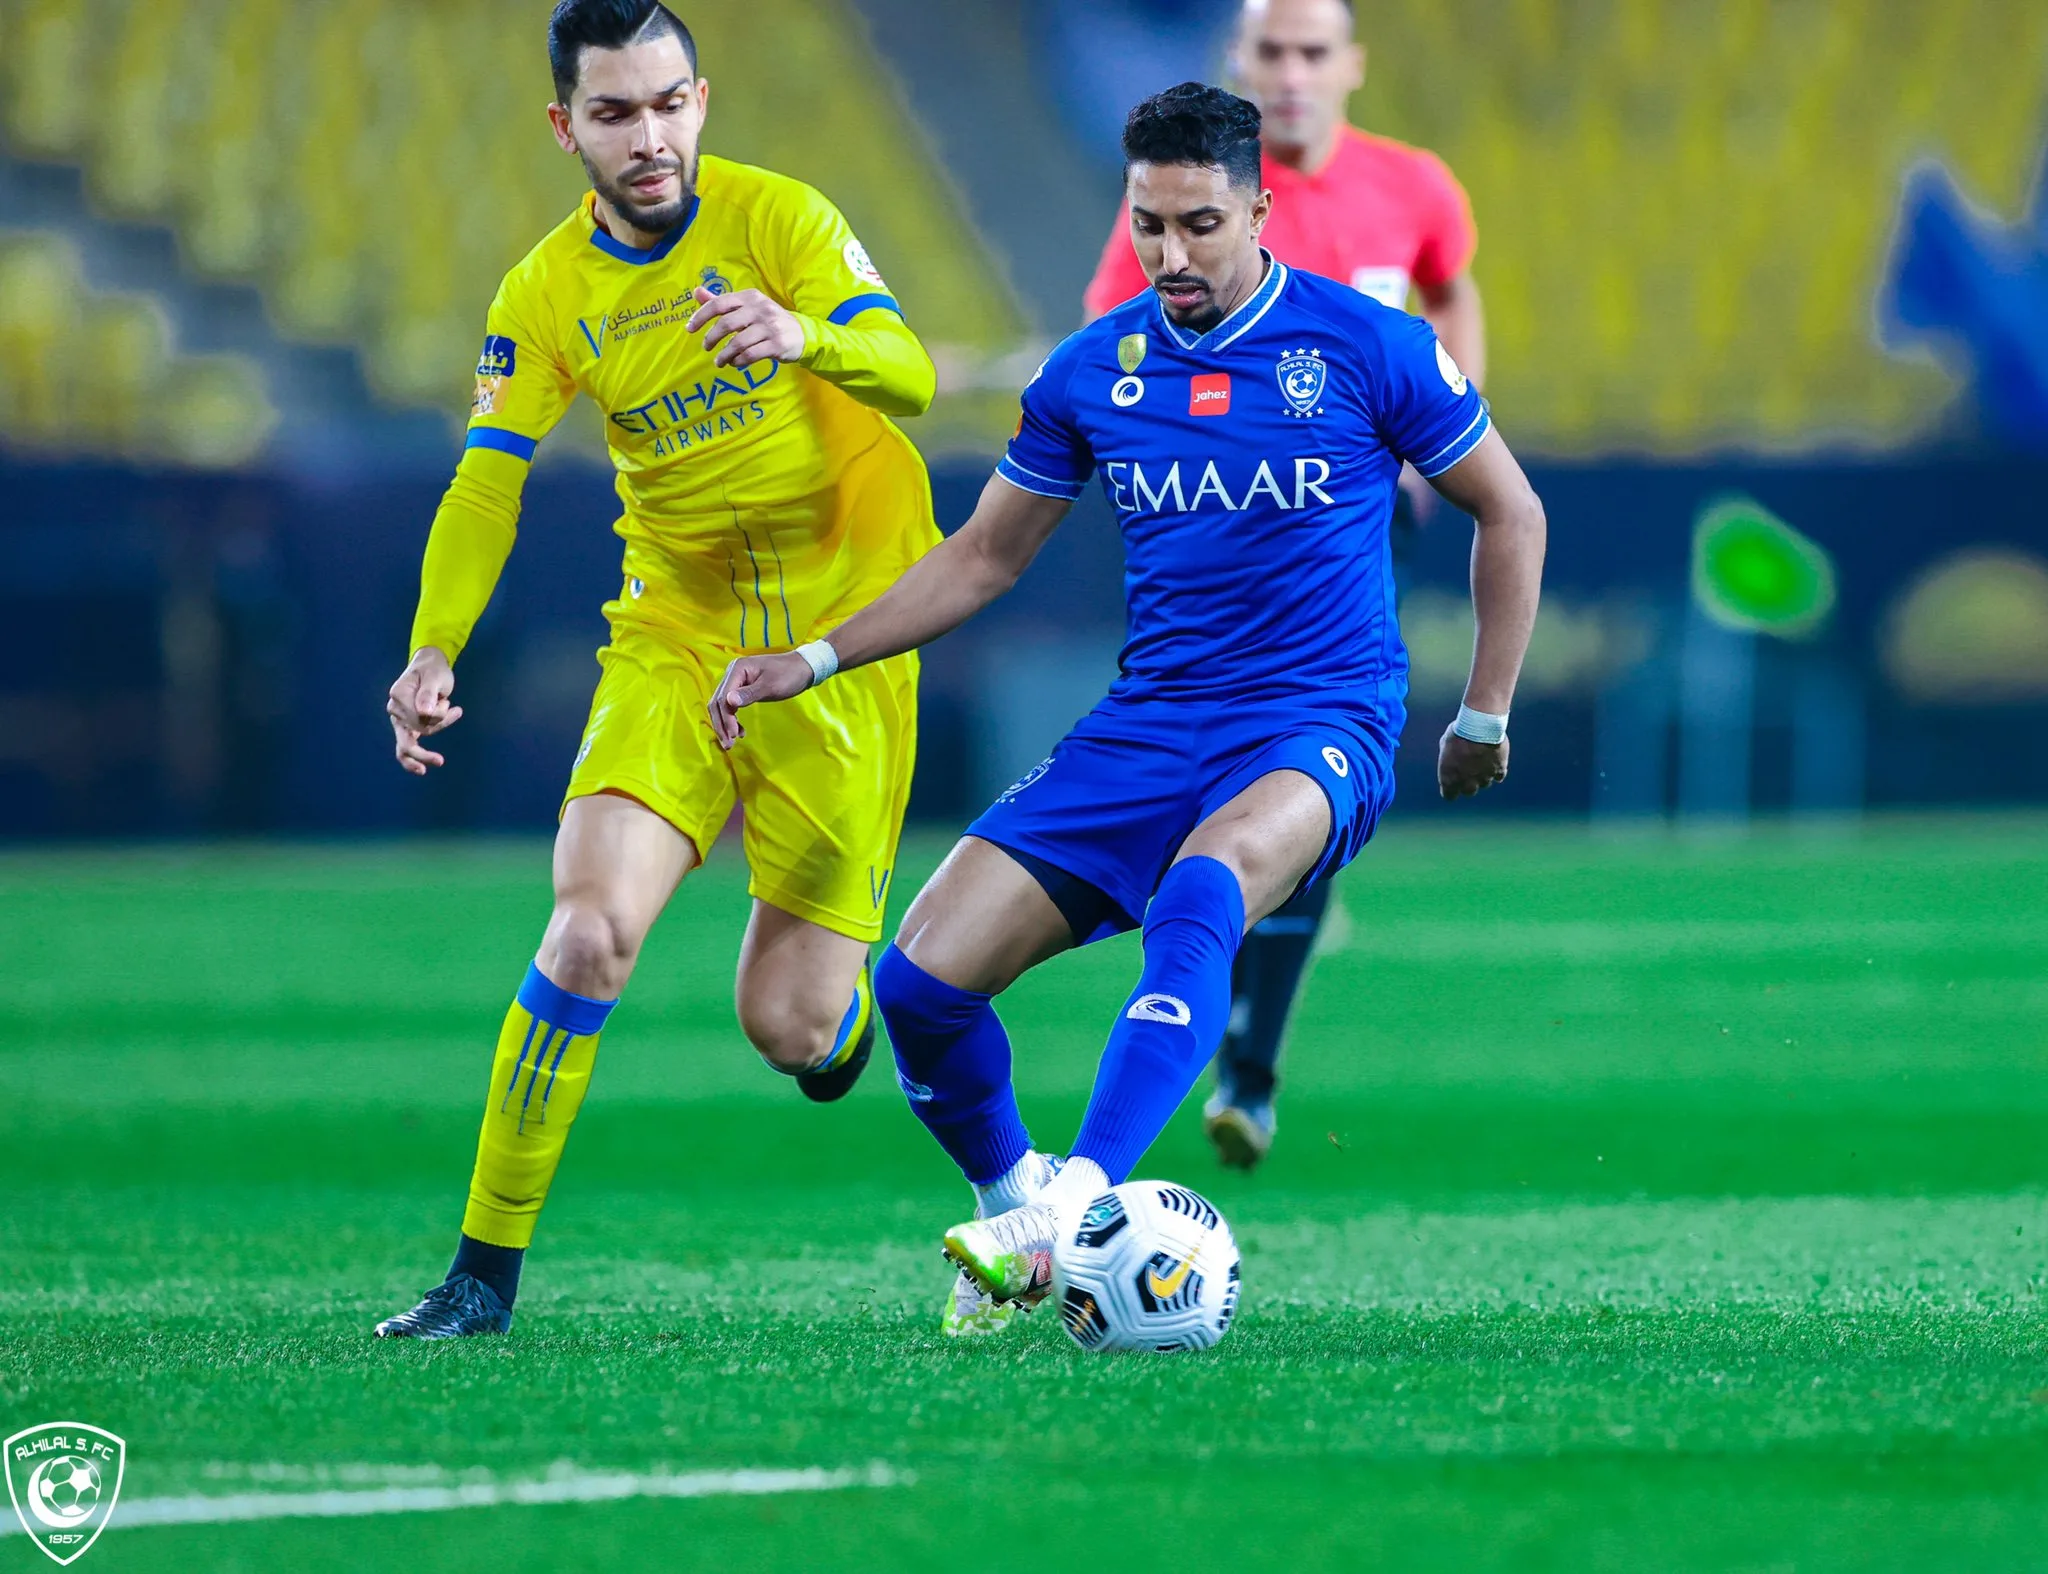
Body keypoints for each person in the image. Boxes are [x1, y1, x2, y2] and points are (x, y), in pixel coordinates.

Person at [711, 84, 1543, 1329]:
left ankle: (1071, 1208)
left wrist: (1481, 709)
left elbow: (1508, 508)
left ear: (1260, 208)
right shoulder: (1092, 368)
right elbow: (983, 556)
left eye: (1199, 223)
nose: (1170, 254)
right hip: (1150, 722)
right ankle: (1021, 1197)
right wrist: (817, 656)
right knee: (919, 985)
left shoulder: (1366, 344)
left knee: (1206, 890)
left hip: (1316, 721)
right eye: (1147, 223)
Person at [375, 0, 940, 1339]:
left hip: (834, 645)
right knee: (586, 932)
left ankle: (849, 1025)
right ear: (566, 126)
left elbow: (909, 372)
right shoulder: (546, 293)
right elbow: (487, 482)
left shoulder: (783, 220)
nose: (651, 137)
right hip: (674, 638)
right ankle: (479, 1278)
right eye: (617, 113)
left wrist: (808, 337)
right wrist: (432, 644)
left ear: (703, 99)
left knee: (793, 1029)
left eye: (670, 102)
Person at [1085, 0, 1489, 1172]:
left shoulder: (1413, 187)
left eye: (1315, 52)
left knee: (1312, 757)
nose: (1295, 73)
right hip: (1218, 532)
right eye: (1272, 52)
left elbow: (1449, 290)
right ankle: (1232, 996)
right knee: (1251, 786)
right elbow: (1111, 323)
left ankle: (1246, 1066)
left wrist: (1446, 419)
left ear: (1350, 66)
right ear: (1241, 65)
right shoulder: (1190, 198)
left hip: (1352, 518)